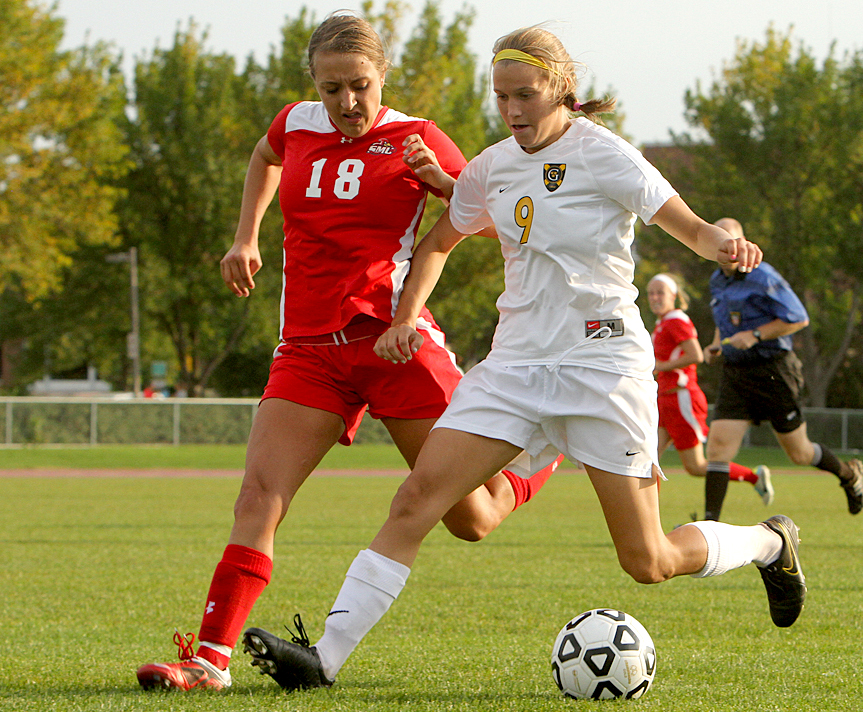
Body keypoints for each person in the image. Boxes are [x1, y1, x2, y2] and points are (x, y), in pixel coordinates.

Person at [238, 26, 807, 692]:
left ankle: (770, 542)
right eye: (502, 97)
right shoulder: (490, 166)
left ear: (561, 89)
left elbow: (692, 227)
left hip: (602, 367)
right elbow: (438, 243)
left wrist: (726, 247)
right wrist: (404, 315)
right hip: (514, 368)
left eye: (526, 96)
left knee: (647, 560)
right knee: (417, 499)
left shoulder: (606, 155)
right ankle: (324, 659)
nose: (513, 111)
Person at [135, 13, 559, 692]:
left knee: (472, 519)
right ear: (315, 85)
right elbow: (265, 155)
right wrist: (245, 237)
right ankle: (209, 660)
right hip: (307, 349)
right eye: (331, 88)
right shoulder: (295, 124)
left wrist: (447, 185)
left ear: (381, 76)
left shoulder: (417, 138)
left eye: (358, 85)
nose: (346, 102)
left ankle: (539, 455)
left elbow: (504, 221)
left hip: (394, 343)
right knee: (258, 497)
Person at [702, 218, 863, 522]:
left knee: (799, 453)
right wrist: (716, 344)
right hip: (737, 372)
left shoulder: (763, 275)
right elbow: (723, 319)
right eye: (721, 242)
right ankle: (710, 529)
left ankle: (848, 475)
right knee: (718, 448)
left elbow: (798, 318)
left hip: (774, 370)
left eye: (734, 242)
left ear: (744, 243)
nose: (729, 249)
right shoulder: (716, 280)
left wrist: (755, 335)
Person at [646, 272, 773, 505]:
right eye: (651, 293)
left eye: (660, 292)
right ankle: (648, 526)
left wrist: (661, 365)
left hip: (681, 400)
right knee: (647, 460)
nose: (654, 297)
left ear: (673, 295)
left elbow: (695, 355)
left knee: (696, 466)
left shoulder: (676, 320)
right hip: (665, 400)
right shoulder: (662, 323)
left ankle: (754, 477)